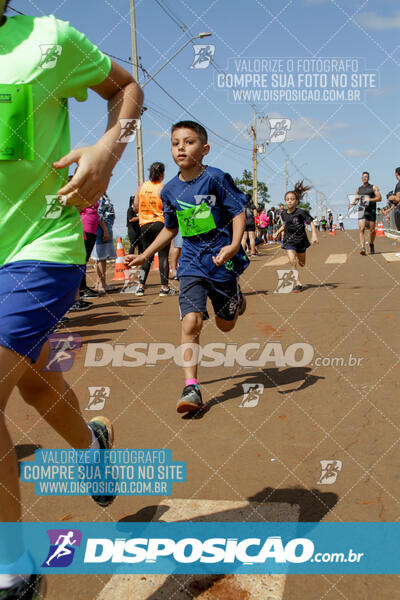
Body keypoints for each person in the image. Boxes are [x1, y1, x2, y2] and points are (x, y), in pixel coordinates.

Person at [0, 3, 143, 598]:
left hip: (42, 245)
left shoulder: (48, 39)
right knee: (34, 382)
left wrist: (111, 147)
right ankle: (93, 446)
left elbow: (129, 87)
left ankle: (14, 567)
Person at [125, 120, 249, 413]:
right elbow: (171, 228)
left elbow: (238, 211)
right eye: (175, 142)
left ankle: (235, 299)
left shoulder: (217, 178)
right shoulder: (169, 191)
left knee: (226, 325)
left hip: (221, 262)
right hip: (191, 263)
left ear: (205, 149)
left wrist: (233, 245)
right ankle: (191, 387)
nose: (181, 147)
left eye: (189, 142)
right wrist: (146, 255)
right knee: (191, 322)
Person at [134, 162, 176, 296]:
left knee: (146, 255)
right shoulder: (163, 188)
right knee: (163, 255)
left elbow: (135, 206)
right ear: (162, 174)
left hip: (145, 224)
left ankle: (140, 286)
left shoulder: (142, 187)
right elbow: (169, 206)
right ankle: (164, 287)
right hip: (160, 223)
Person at [273, 181, 318, 292]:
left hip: (301, 240)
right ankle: (298, 283)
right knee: (292, 261)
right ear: (285, 201)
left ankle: (300, 257)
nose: (290, 201)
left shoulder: (301, 212)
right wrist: (277, 232)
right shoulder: (283, 213)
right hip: (289, 241)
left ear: (297, 201)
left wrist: (314, 235)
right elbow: (285, 225)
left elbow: (311, 222)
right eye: (287, 199)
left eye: (292, 199)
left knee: (302, 264)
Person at [351, 171, 382, 255]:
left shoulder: (373, 187)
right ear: (361, 178)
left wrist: (369, 200)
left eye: (366, 177)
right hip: (362, 210)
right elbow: (356, 198)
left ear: (368, 178)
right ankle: (362, 247)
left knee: (372, 230)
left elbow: (379, 198)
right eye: (363, 177)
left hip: (371, 210)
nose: (365, 178)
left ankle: (371, 244)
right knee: (362, 228)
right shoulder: (359, 189)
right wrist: (353, 203)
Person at [91, 193, 117, 292]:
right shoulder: (99, 196)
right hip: (102, 229)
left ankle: (99, 283)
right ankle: (102, 284)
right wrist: (105, 230)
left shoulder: (102, 195)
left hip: (103, 228)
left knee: (100, 258)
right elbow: (99, 214)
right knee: (101, 258)